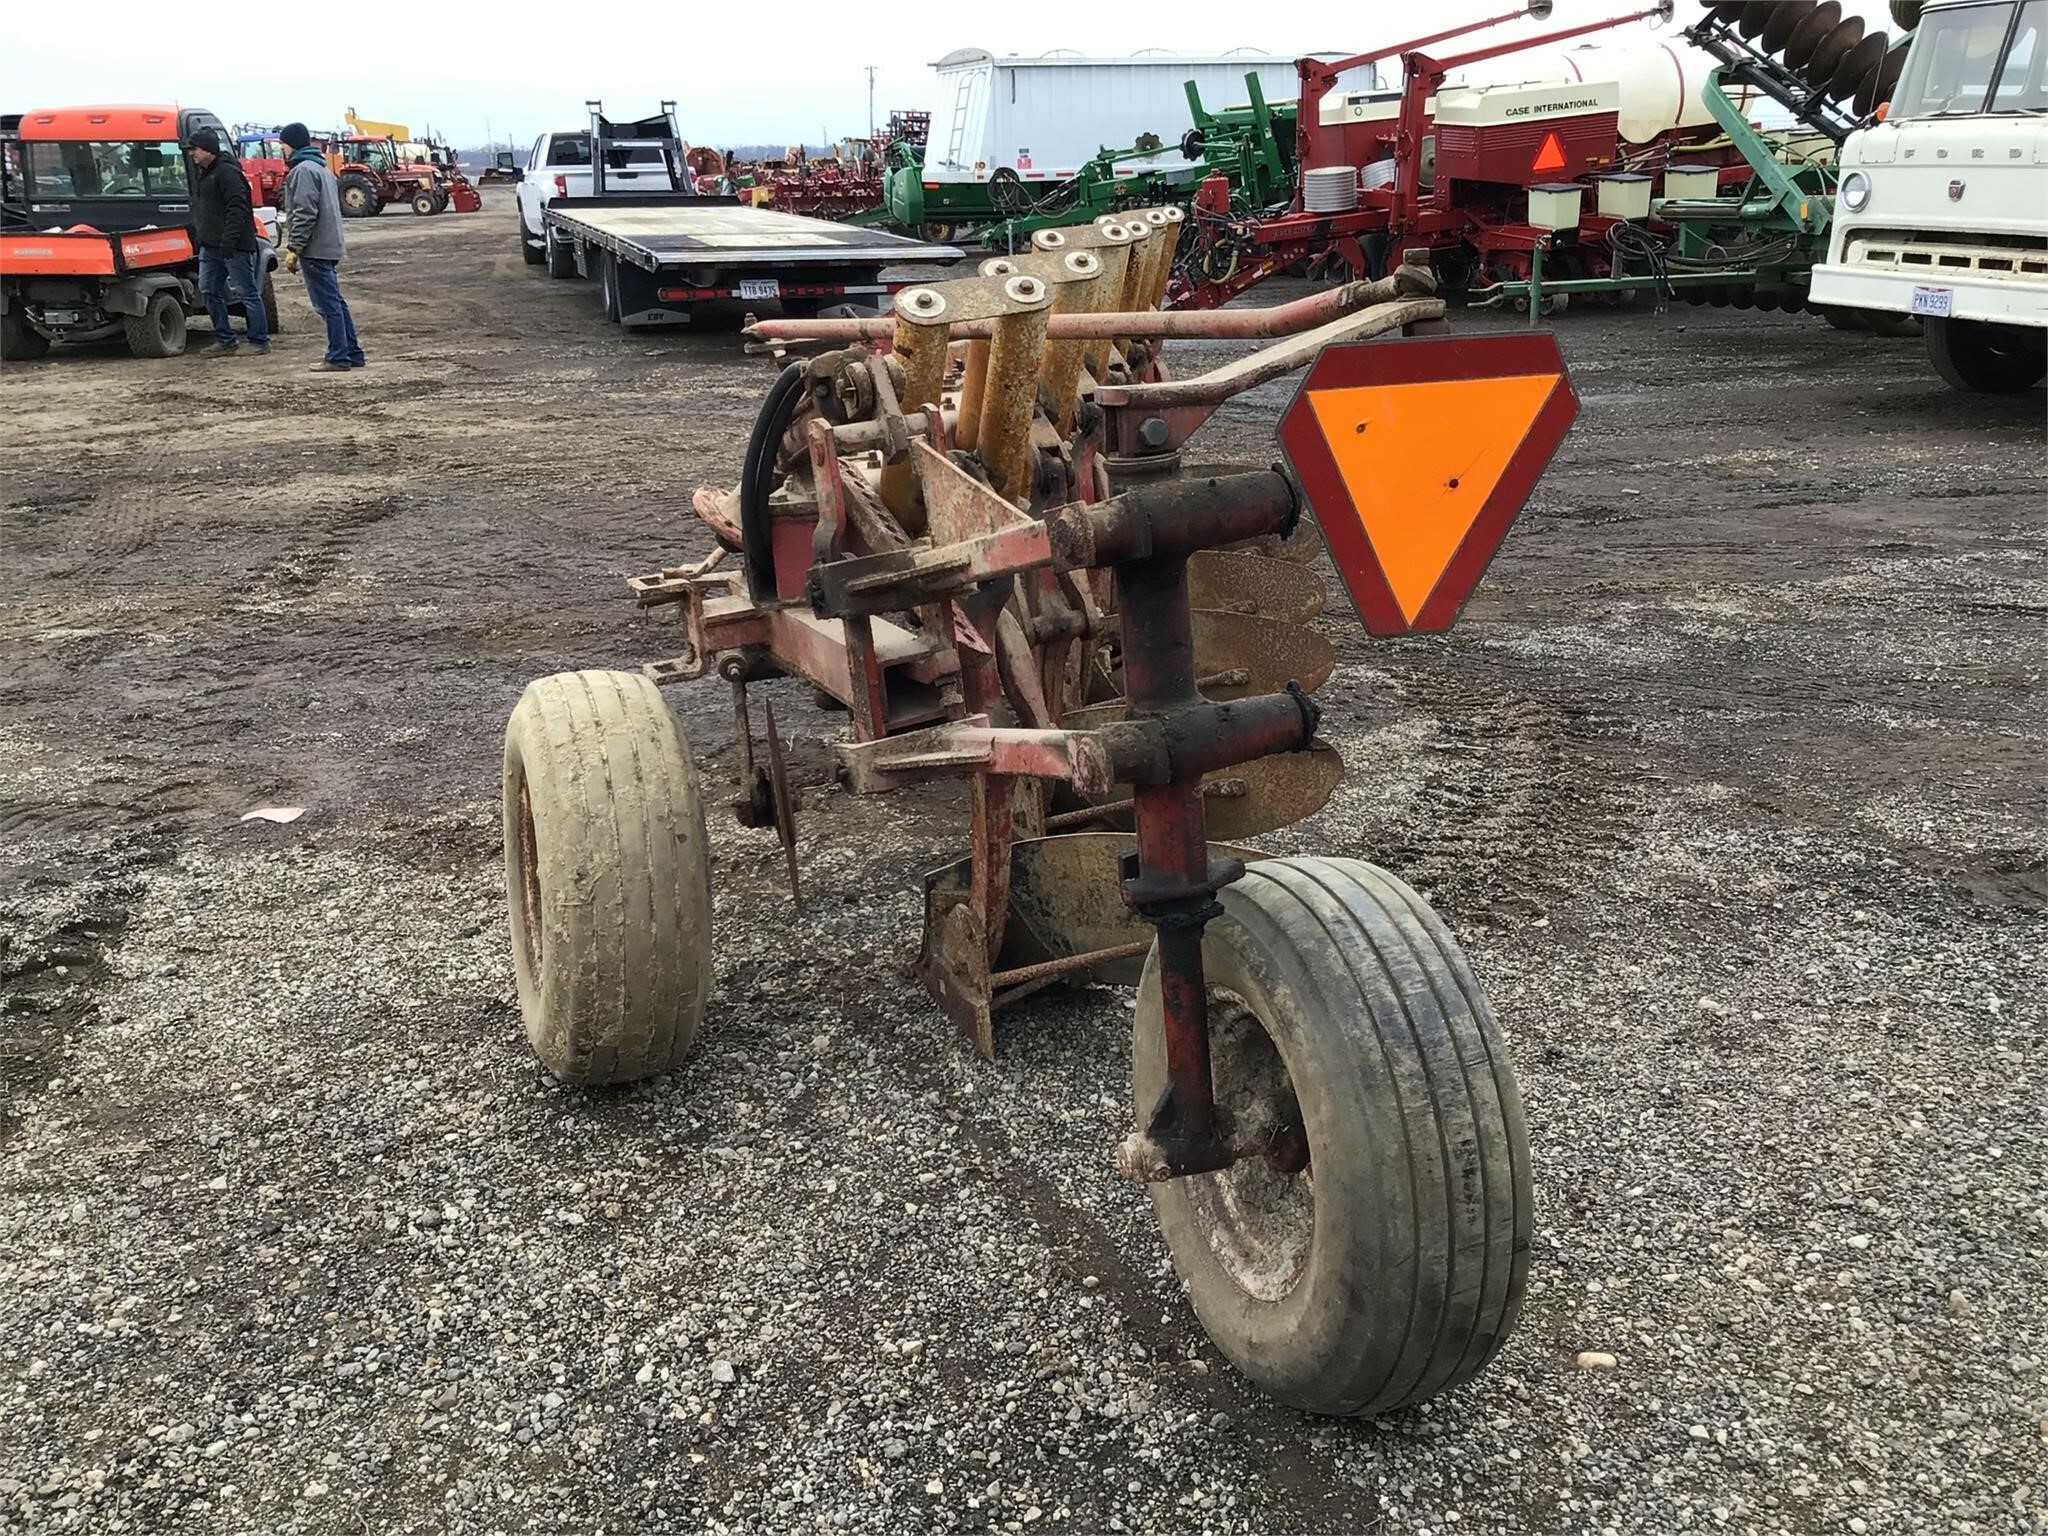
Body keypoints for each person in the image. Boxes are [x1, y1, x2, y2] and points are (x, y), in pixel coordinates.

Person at [277, 122, 365, 373]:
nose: (281, 149)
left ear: (292, 144)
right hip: (329, 244)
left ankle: (338, 356)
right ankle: (352, 351)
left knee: (327, 305)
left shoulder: (302, 171)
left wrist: (294, 247)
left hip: (315, 248)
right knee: (336, 301)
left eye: (282, 144)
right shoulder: (322, 169)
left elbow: (304, 212)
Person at [185, 128, 269, 357]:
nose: (191, 153)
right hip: (211, 246)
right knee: (208, 290)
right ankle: (225, 340)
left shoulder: (227, 173)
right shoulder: (206, 173)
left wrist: (229, 241)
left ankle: (259, 341)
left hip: (234, 247)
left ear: (208, 150)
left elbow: (238, 209)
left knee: (247, 292)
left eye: (195, 149)